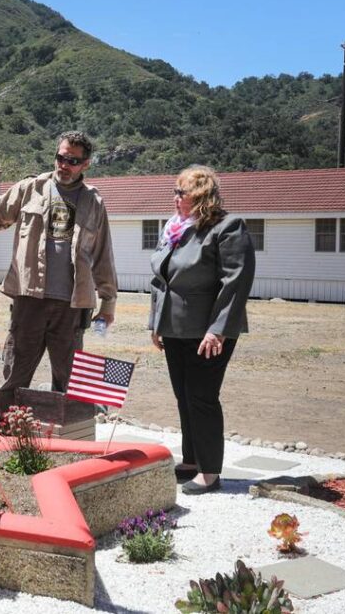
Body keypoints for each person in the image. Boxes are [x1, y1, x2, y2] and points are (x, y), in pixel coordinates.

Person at [0, 131, 118, 424]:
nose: (64, 164)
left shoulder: (94, 202)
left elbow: (103, 255)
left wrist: (108, 303)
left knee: (69, 378)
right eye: (60, 157)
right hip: (29, 299)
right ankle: (3, 429)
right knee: (16, 371)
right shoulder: (31, 188)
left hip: (72, 304)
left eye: (72, 160)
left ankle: (69, 436)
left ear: (86, 164)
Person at [148, 165, 255, 495]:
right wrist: (156, 322)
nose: (175, 198)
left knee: (202, 397)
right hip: (175, 327)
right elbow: (160, 278)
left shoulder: (227, 226)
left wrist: (218, 329)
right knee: (184, 396)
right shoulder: (175, 228)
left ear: (202, 196)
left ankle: (210, 472)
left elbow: (235, 281)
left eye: (182, 192)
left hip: (208, 330)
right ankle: (192, 459)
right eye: (175, 191)